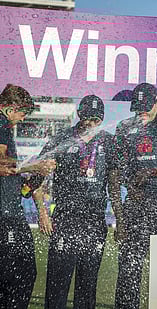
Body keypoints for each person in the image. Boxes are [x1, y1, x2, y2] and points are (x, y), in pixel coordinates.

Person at [34, 94, 118, 308]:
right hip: (65, 221)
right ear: (79, 115)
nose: (90, 123)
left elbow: (115, 185)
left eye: (95, 120)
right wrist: (43, 214)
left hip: (95, 222)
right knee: (56, 285)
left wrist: (121, 218)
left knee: (87, 287)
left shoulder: (109, 142)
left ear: (101, 119)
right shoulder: (62, 138)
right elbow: (38, 177)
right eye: (86, 118)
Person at [113, 82, 157, 309]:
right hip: (136, 205)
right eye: (137, 107)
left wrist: (155, 172)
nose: (141, 112)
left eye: (146, 107)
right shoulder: (125, 127)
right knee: (129, 268)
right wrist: (122, 213)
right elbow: (116, 171)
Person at [0, 84, 55, 309]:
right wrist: (34, 164)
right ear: (10, 108)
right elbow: (2, 166)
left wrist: (33, 177)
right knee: (19, 277)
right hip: (6, 216)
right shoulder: (1, 126)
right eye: (23, 113)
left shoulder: (5, 127)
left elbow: (13, 173)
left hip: (10, 212)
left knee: (16, 277)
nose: (23, 119)